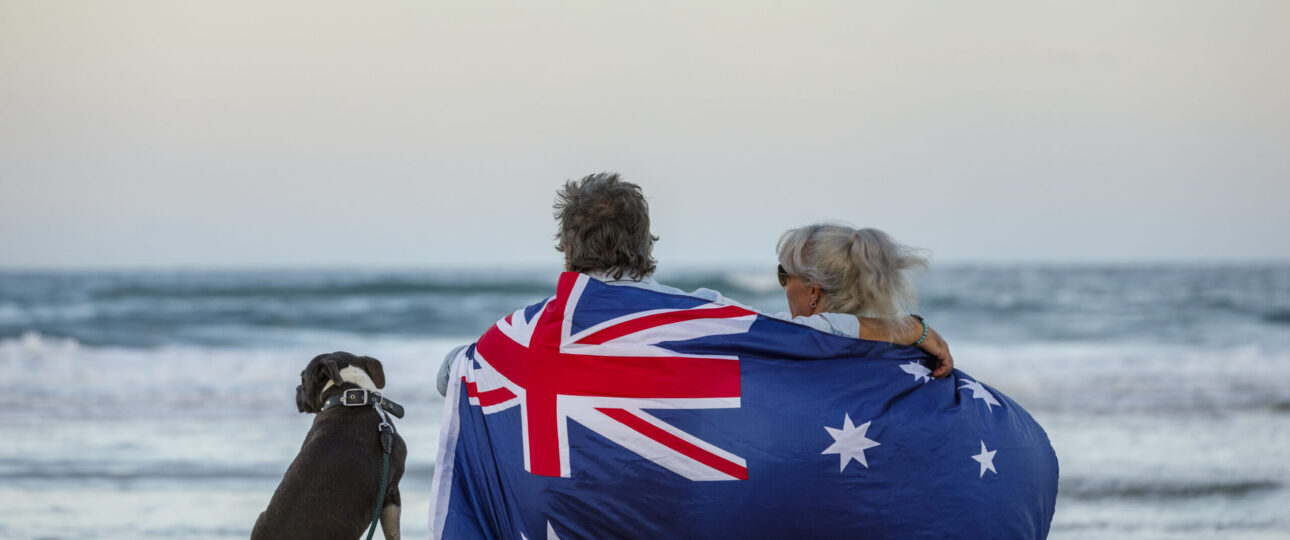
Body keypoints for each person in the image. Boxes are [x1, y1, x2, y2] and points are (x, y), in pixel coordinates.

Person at [437, 173, 950, 396]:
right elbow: (814, 333)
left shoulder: (526, 332)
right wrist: (912, 330)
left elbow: (450, 376)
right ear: (646, 243)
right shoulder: (700, 317)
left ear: (565, 249)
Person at [774, 223, 949, 374]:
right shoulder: (912, 362)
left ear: (813, 291)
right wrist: (914, 330)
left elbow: (819, 329)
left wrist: (914, 329)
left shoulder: (776, 343)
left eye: (784, 275)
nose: (784, 287)